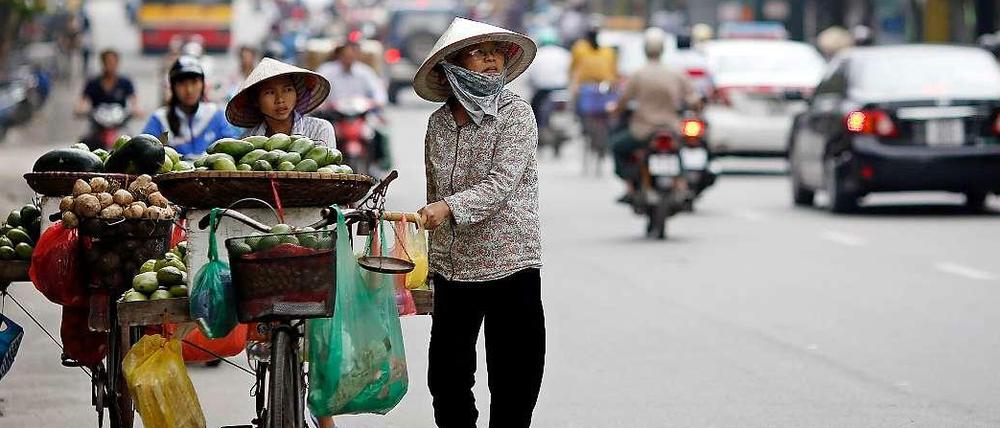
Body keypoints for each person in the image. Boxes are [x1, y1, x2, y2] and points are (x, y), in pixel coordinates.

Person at [412, 17, 545, 428]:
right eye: (478, 52)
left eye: (495, 52)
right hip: (455, 266)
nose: (490, 59)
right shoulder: (438, 123)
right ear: (452, 65)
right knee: (447, 377)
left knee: (514, 376)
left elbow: (501, 183)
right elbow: (434, 190)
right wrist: (430, 269)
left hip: (511, 261)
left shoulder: (517, 114)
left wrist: (447, 208)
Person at [610, 28, 700, 198]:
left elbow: (623, 100)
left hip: (643, 129)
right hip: (671, 127)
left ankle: (630, 184)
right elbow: (693, 98)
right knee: (678, 149)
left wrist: (614, 110)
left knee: (617, 146)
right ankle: (681, 182)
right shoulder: (675, 73)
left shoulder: (638, 74)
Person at [141, 56, 239, 157]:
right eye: (182, 83)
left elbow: (233, 150)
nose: (189, 90)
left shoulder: (215, 115)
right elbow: (143, 152)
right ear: (173, 87)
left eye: (194, 82)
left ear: (203, 84)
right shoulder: (160, 119)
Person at [316, 41, 392, 169]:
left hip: (360, 116)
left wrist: (377, 102)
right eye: (346, 55)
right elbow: (316, 91)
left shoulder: (365, 73)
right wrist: (322, 105)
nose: (349, 58)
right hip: (334, 116)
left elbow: (379, 93)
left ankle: (380, 165)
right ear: (339, 55)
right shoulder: (327, 71)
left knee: (380, 133)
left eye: (352, 55)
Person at [226, 57, 335, 144]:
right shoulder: (247, 141)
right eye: (270, 92)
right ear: (256, 101)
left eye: (287, 90)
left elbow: (326, 171)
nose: (280, 99)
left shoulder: (319, 130)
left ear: (296, 94)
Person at [75, 49, 141, 148]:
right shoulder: (93, 82)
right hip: (98, 122)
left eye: (113, 62)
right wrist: (80, 109)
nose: (111, 65)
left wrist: (136, 109)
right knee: (83, 145)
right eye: (108, 62)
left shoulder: (125, 82)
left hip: (119, 121)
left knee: (134, 145)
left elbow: (134, 99)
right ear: (103, 63)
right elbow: (83, 100)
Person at [526, 28, 571, 130]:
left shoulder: (537, 55)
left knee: (533, 110)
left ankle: (536, 130)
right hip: (562, 89)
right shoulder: (564, 54)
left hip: (543, 90)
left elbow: (530, 77)